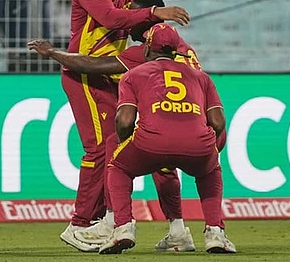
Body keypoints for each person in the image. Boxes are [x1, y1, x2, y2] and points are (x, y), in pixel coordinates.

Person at [59, 0, 229, 252]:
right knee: (98, 149)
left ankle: (108, 219)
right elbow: (111, 18)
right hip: (85, 74)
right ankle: (80, 223)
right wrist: (155, 14)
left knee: (114, 145)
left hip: (111, 75)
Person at [30, 0, 220, 252]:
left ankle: (112, 221)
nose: (128, 22)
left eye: (135, 15)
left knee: (114, 146)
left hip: (164, 116)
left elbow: (92, 65)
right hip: (196, 120)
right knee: (165, 166)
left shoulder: (146, 52)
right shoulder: (183, 48)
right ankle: (182, 231)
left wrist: (52, 52)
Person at [100, 23, 236, 254]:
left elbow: (124, 121)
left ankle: (123, 228)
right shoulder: (200, 77)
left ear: (146, 49)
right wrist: (208, 147)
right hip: (197, 143)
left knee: (118, 167)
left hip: (151, 142)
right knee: (211, 169)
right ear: (176, 50)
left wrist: (129, 141)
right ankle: (215, 233)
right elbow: (219, 122)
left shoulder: (133, 75)